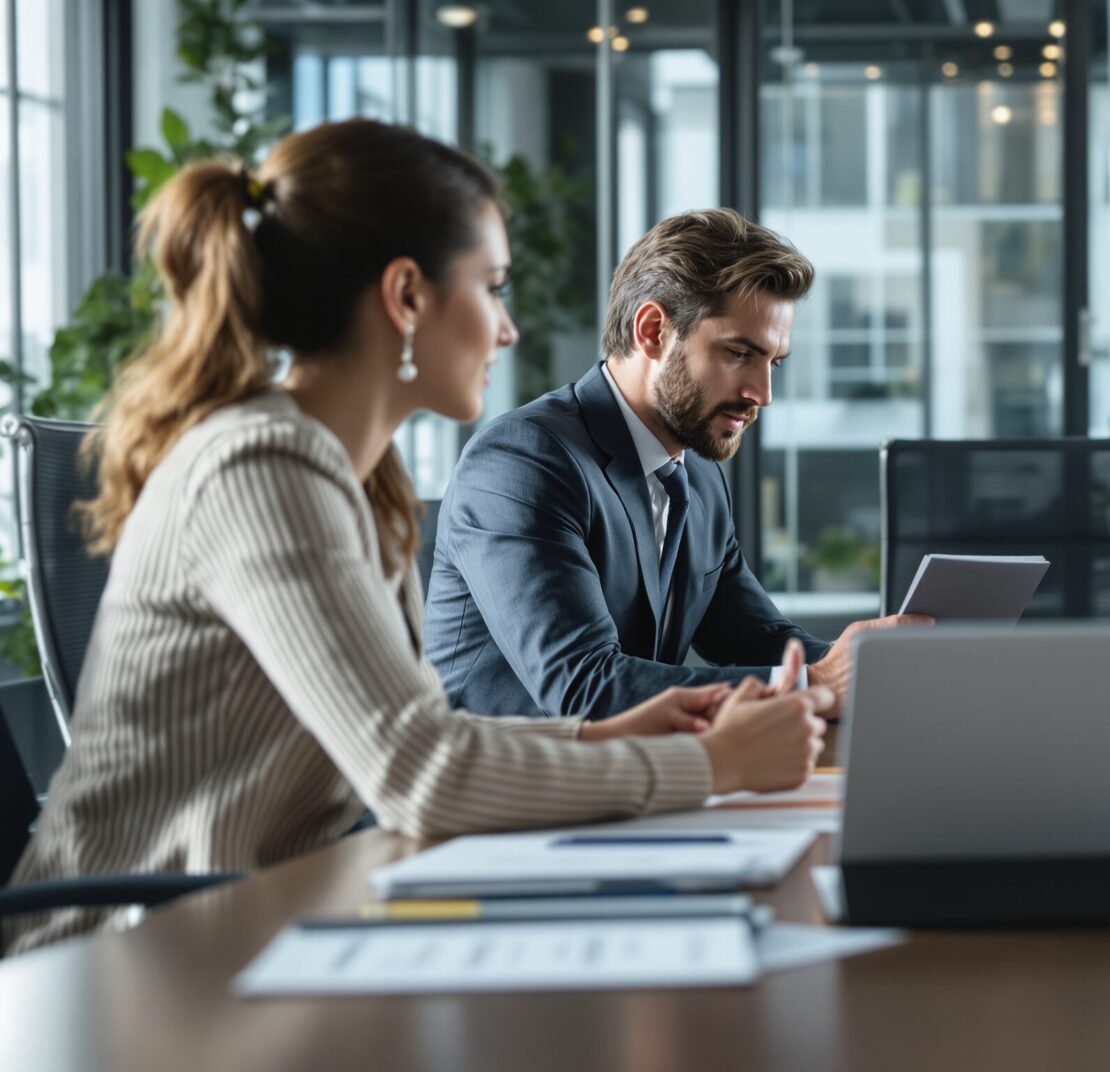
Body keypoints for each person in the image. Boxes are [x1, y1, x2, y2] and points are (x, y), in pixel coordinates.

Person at [3, 120, 828, 955]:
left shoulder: (358, 479)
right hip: (129, 956)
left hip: (271, 919)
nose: (507, 330)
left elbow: (415, 732)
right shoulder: (258, 468)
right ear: (406, 297)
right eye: (493, 286)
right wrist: (712, 765)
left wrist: (613, 733)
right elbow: (418, 771)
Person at [423, 208, 923, 721]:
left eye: (772, 363)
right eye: (738, 354)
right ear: (654, 330)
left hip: (633, 787)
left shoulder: (698, 477)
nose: (762, 394)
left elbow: (758, 641)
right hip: (502, 793)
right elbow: (582, 688)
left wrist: (869, 666)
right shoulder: (524, 462)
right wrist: (810, 683)